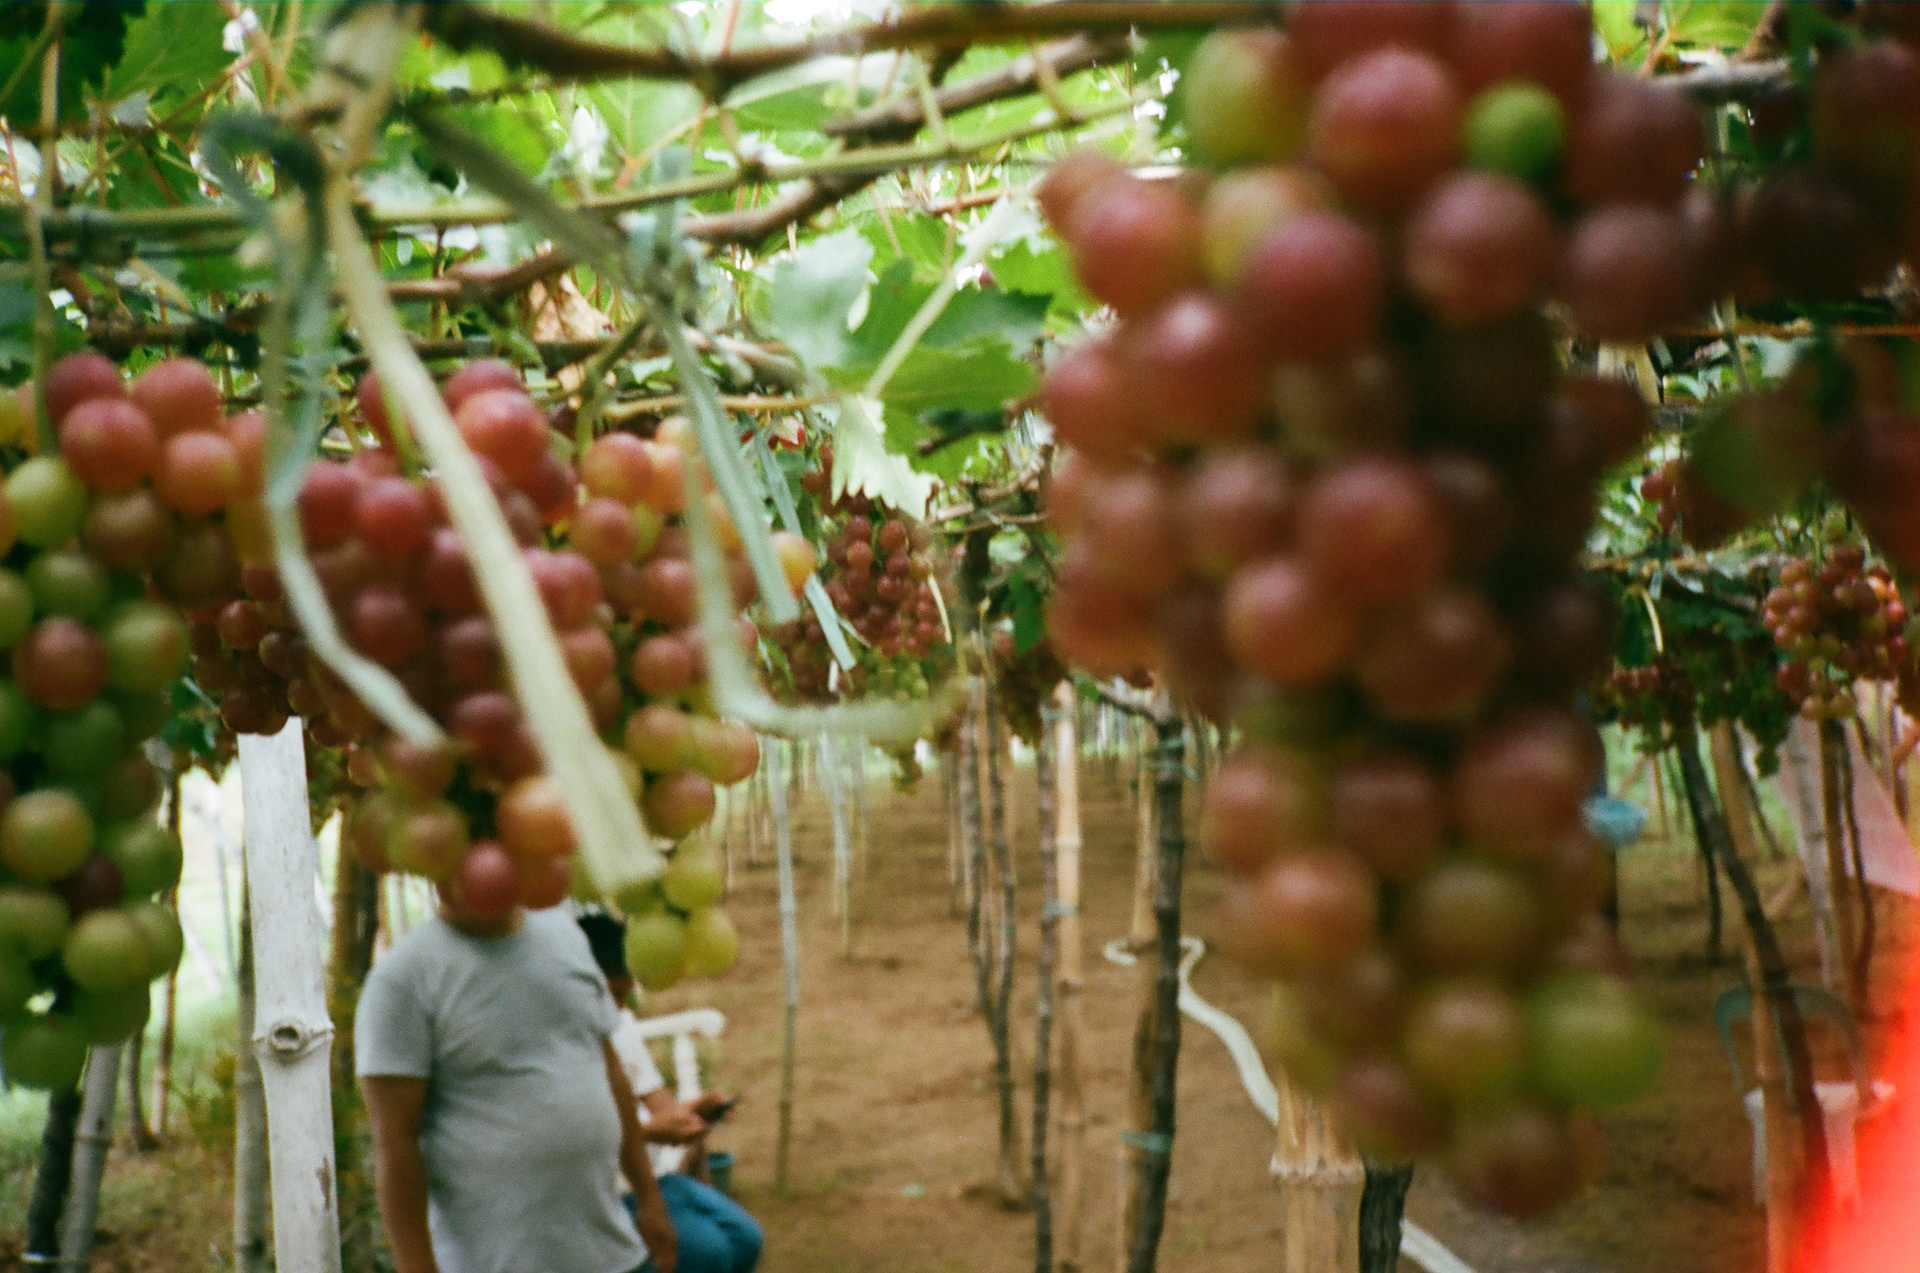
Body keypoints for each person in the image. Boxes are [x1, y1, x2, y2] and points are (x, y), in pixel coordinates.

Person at [357, 894, 677, 1273]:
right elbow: (395, 1143)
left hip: (615, 1255)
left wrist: (650, 1199)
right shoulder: (402, 979)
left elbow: (610, 1073)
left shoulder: (566, 936)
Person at [578, 914, 763, 1273]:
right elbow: (573, 1137)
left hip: (650, 1179)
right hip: (603, 1196)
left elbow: (662, 1105)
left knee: (745, 1239)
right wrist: (647, 1132)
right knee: (710, 1254)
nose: (619, 1008)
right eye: (613, 995)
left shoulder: (621, 1026)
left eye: (626, 996)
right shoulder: (555, 1048)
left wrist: (694, 1112)